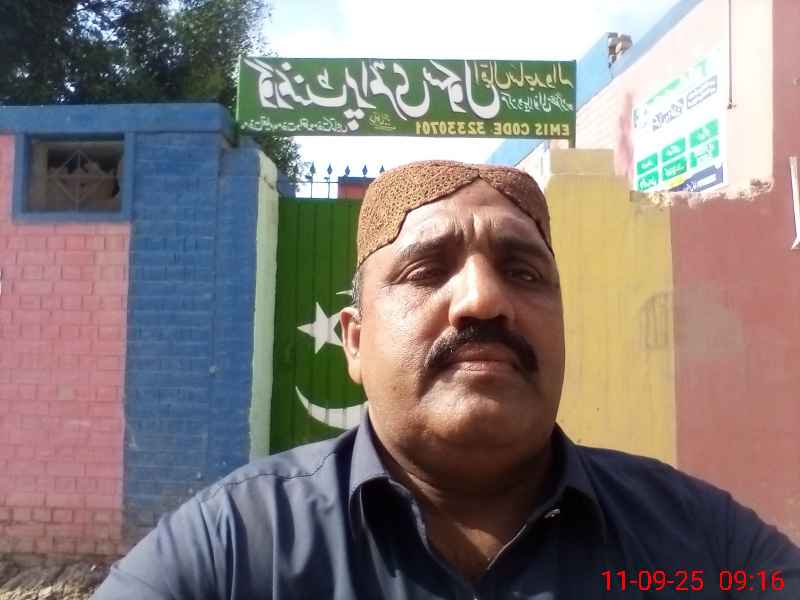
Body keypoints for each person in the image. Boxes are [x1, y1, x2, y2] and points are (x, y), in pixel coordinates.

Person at [93, 160, 800, 599]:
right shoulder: (230, 550)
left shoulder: (704, 549)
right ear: (355, 342)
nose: (484, 300)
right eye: (426, 270)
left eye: (524, 272)